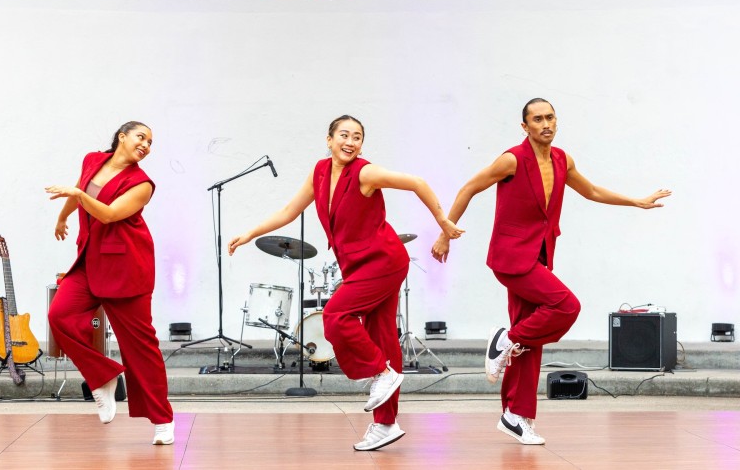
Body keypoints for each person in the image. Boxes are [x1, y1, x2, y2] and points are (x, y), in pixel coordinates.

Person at [431, 98, 671, 445]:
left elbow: (590, 191)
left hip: (539, 255)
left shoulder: (562, 159)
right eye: (538, 119)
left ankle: (515, 415)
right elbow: (469, 187)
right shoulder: (511, 159)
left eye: (550, 118)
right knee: (566, 306)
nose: (546, 124)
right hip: (511, 258)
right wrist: (444, 233)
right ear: (524, 126)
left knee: (531, 340)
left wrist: (635, 201)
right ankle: (504, 342)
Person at [228, 115, 464, 451]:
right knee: (382, 337)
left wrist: (443, 221)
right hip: (358, 266)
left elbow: (417, 182)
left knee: (335, 315)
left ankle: (380, 373)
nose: (350, 142)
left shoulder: (365, 173)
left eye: (357, 137)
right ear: (329, 139)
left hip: (383, 260)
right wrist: (251, 232)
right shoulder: (320, 173)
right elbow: (290, 211)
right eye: (343, 135)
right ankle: (385, 424)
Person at [45, 121, 175, 445]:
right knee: (58, 316)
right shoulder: (92, 160)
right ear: (122, 136)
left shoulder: (142, 184)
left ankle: (163, 420)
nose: (146, 145)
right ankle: (103, 378)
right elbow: (80, 189)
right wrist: (63, 216)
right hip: (90, 262)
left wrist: (77, 195)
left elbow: (107, 214)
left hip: (127, 268)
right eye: (140, 137)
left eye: (150, 142)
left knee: (141, 348)